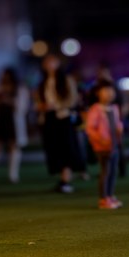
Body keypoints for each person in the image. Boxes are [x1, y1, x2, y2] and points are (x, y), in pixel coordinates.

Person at [34, 54, 80, 193]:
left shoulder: (66, 79)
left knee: (65, 147)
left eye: (52, 62)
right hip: (48, 118)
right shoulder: (43, 82)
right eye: (47, 62)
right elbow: (37, 100)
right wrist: (41, 106)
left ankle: (66, 179)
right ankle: (62, 179)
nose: (49, 65)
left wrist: (55, 105)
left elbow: (72, 99)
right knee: (54, 148)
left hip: (63, 116)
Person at [0, 67, 29, 184]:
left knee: (14, 146)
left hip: (13, 121)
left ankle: (13, 174)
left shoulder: (19, 89)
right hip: (0, 120)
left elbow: (22, 107)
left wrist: (9, 101)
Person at [85, 79, 124, 210]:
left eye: (111, 91)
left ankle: (110, 195)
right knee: (105, 171)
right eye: (106, 91)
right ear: (98, 93)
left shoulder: (114, 108)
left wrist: (120, 129)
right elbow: (90, 128)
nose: (109, 93)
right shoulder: (95, 109)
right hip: (102, 146)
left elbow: (117, 123)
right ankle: (103, 198)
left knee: (113, 171)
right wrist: (100, 139)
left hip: (114, 145)